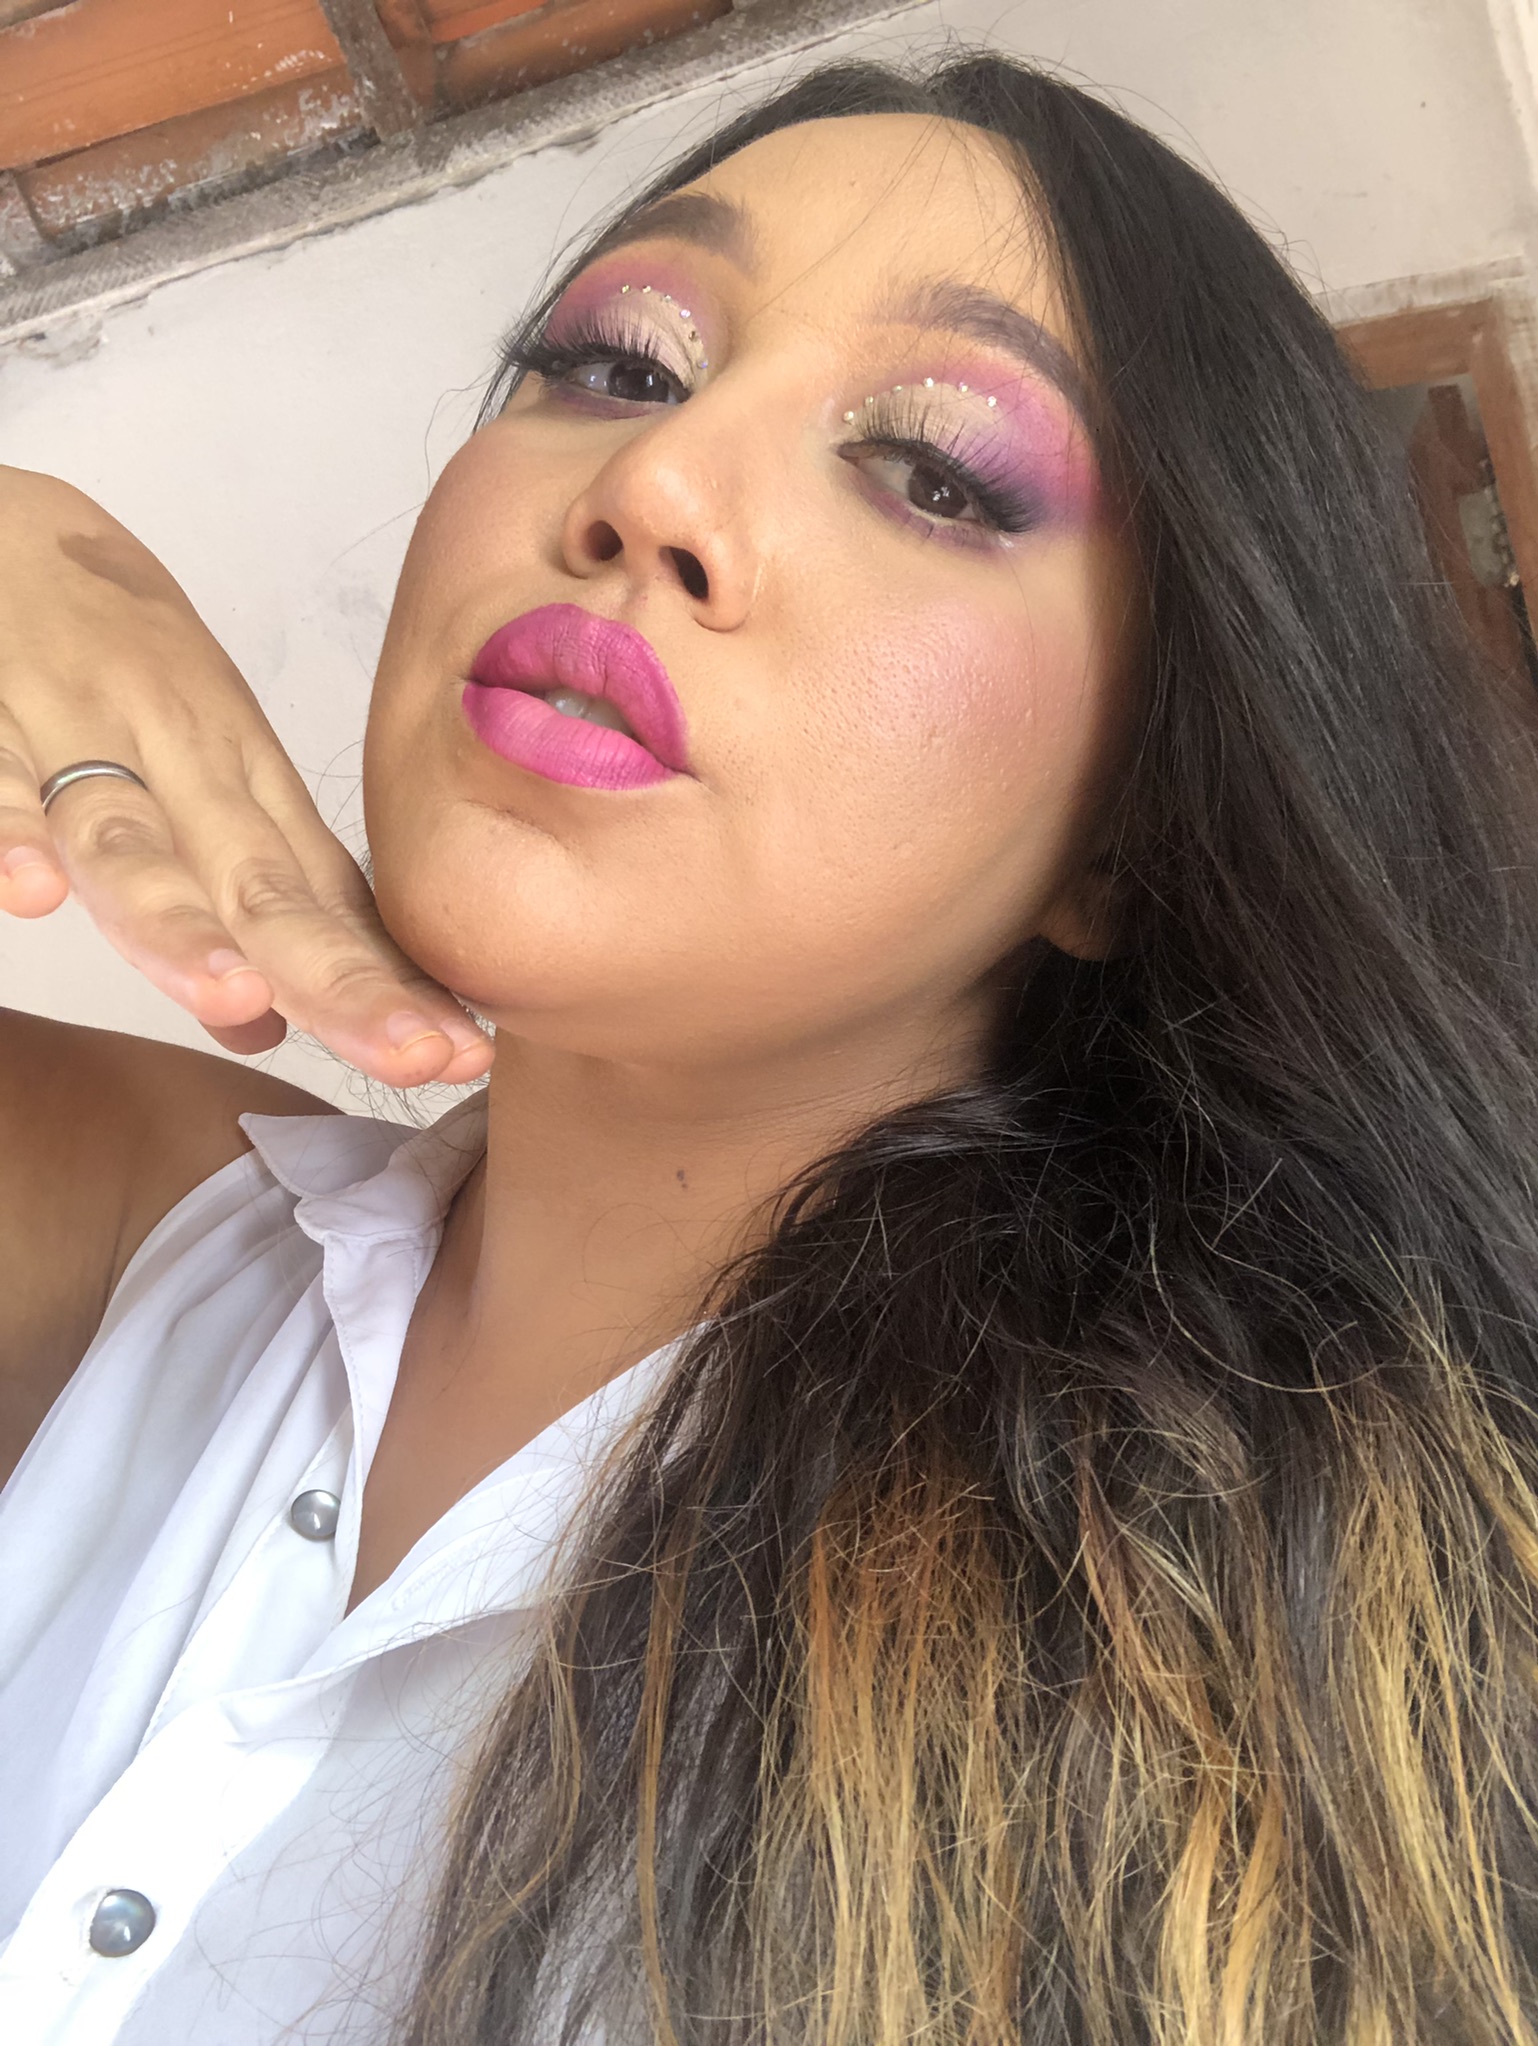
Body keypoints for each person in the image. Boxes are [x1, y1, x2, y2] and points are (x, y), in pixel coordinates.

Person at [1, 46, 1536, 2046]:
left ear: (1124, 835)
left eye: (932, 472)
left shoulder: (1266, 1707)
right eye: (617, 363)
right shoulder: (132, 1215)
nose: (649, 487)